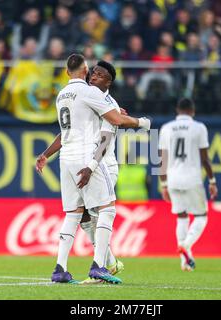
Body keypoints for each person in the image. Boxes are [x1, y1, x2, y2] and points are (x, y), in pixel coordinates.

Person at [38, 53, 150, 284]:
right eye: (93, 72)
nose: (95, 76)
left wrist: (47, 155)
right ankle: (102, 264)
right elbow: (116, 122)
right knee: (97, 213)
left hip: (92, 161)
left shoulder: (64, 95)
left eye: (100, 74)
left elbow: (106, 135)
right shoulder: (91, 94)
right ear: (86, 70)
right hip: (87, 158)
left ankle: (70, 267)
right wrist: (141, 122)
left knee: (81, 214)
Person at [158, 98, 217, 271]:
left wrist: (163, 185)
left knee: (182, 216)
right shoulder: (199, 128)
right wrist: (212, 181)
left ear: (177, 110)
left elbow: (162, 160)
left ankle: (185, 262)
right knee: (201, 216)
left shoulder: (166, 128)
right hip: (192, 178)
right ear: (193, 111)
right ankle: (186, 244)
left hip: (173, 178)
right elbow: (205, 159)